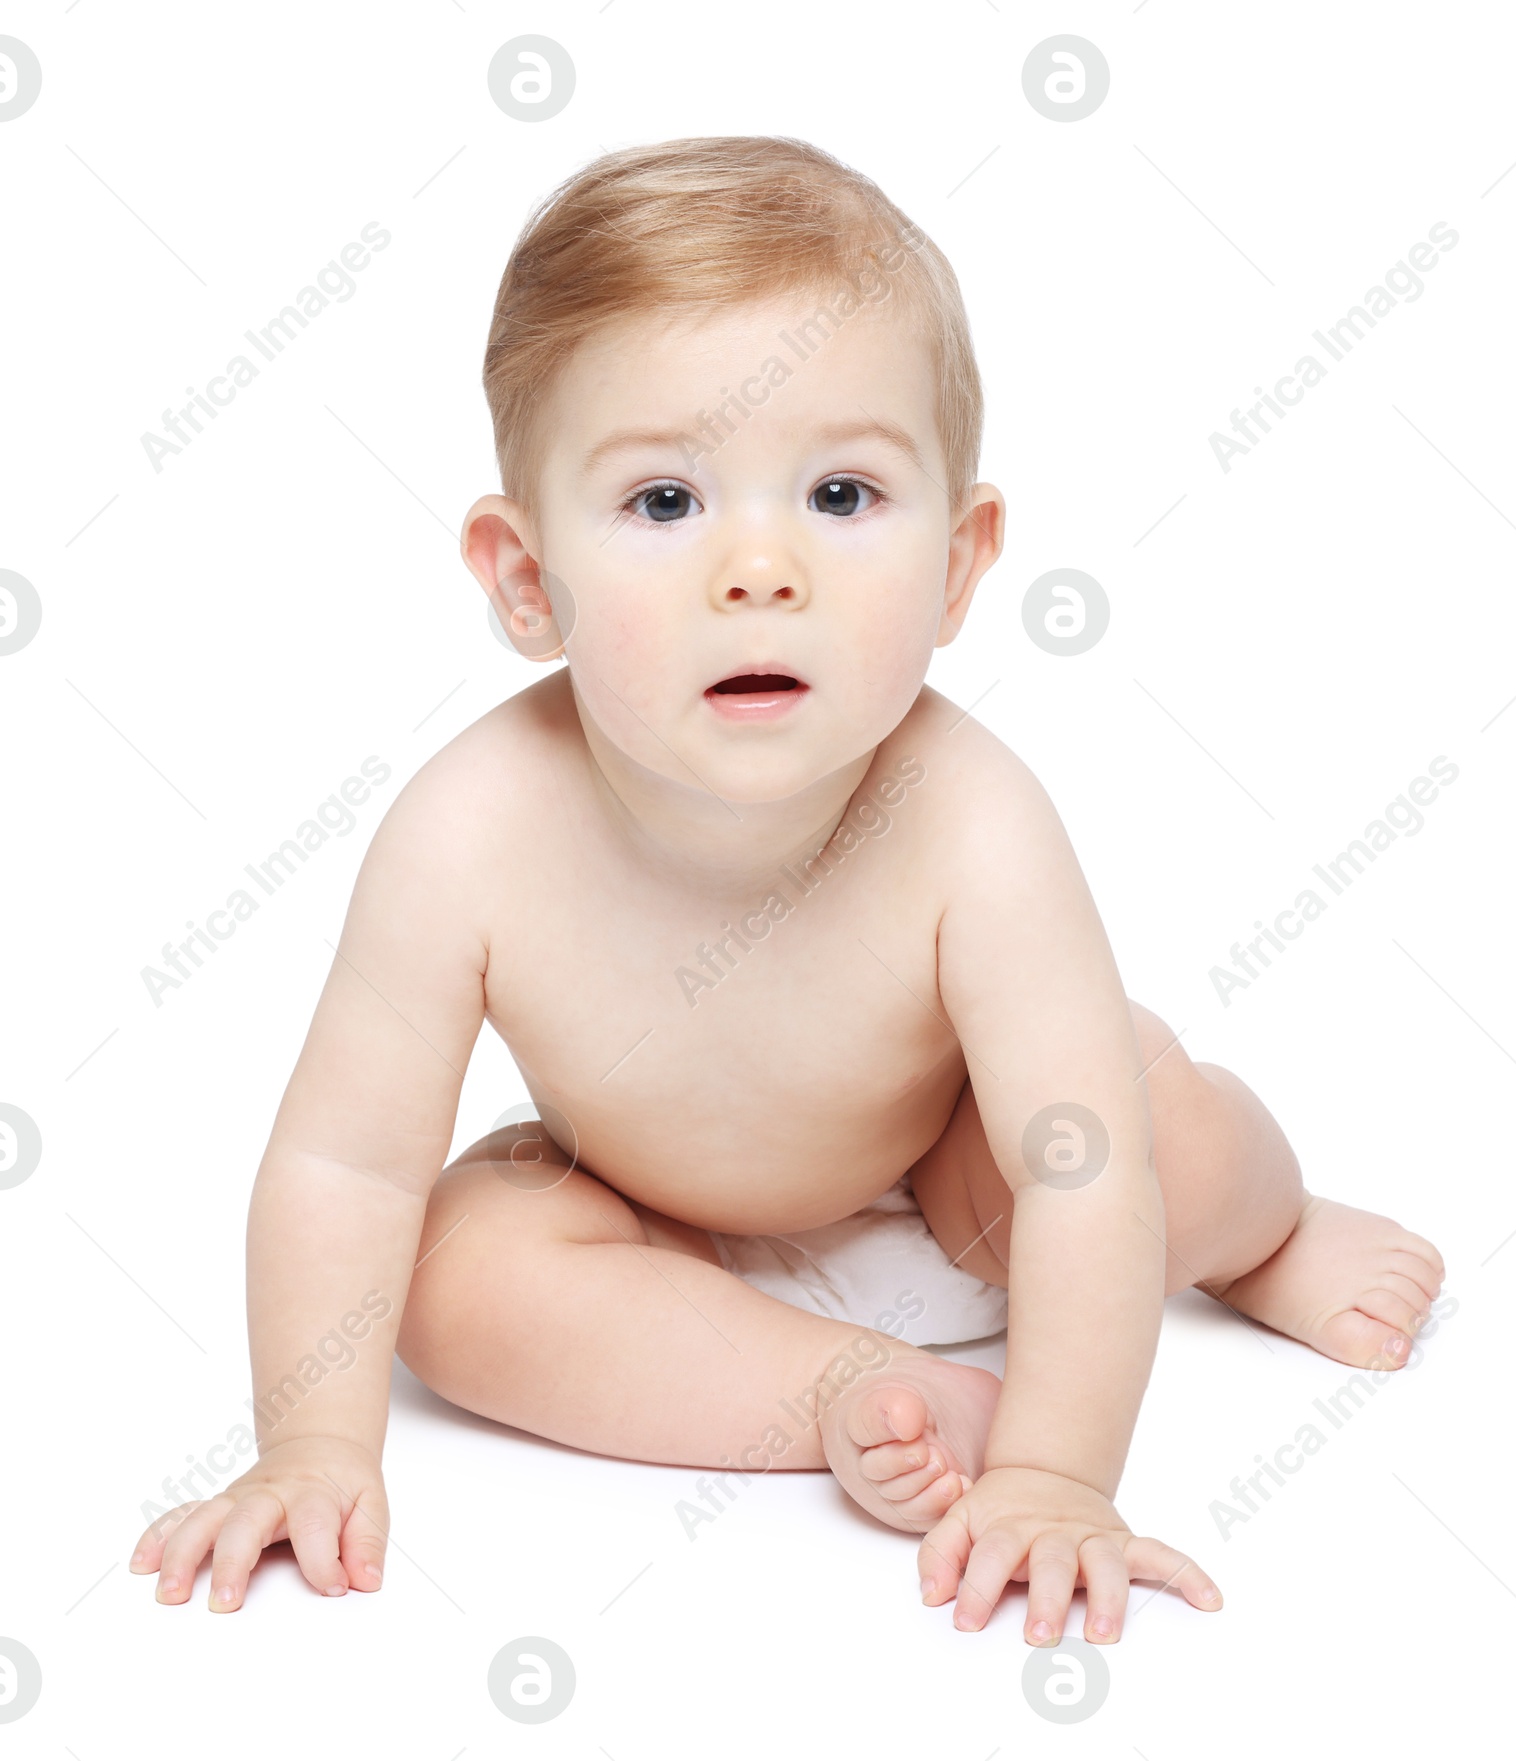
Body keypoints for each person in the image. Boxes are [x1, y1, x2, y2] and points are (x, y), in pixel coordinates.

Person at [129, 136, 1444, 1645]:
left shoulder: (973, 820)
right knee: (448, 1269)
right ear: (523, 579)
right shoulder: (467, 831)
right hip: (644, 1209)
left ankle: (1271, 1235)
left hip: (968, 1184)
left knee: (1155, 1131)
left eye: (838, 490)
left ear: (959, 566)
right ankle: (829, 1389)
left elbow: (1077, 1172)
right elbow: (346, 1167)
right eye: (667, 502)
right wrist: (310, 1447)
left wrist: (1055, 1476)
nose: (759, 569)